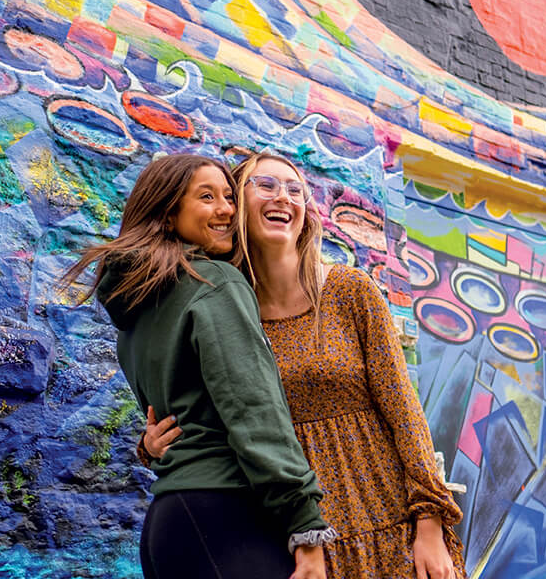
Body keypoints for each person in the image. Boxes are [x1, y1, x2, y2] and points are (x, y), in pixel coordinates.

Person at [143, 150, 465, 578]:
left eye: (295, 189)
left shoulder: (350, 291)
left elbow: (404, 412)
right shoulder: (224, 308)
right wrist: (149, 447)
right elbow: (208, 412)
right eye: (267, 186)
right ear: (237, 207)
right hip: (296, 535)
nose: (284, 197)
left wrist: (429, 522)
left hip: (389, 518)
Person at [63, 154, 336, 579]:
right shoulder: (215, 284)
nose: (227, 209)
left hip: (169, 525)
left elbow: (181, 412)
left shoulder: (136, 311)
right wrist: (305, 525)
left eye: (229, 196)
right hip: (224, 516)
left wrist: (147, 447)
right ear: (168, 214)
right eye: (206, 197)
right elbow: (253, 409)